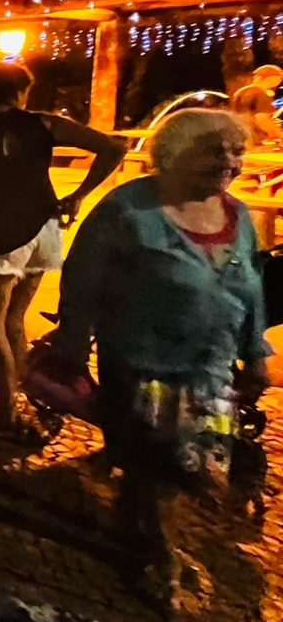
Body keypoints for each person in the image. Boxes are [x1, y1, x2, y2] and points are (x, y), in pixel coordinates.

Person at [52, 109, 269, 479]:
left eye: (237, 152)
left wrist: (256, 353)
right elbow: (82, 281)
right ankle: (141, 528)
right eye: (214, 152)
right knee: (146, 470)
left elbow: (250, 289)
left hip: (212, 371)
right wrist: (72, 342)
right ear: (171, 154)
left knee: (199, 469)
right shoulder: (127, 211)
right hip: (140, 369)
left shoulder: (239, 215)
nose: (230, 163)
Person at [0, 64, 125, 441]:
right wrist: (78, 195)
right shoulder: (44, 124)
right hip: (42, 228)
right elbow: (114, 146)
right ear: (18, 92)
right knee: (14, 320)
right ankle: (19, 404)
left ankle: (6, 417)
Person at [230, 64, 283, 144]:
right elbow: (261, 119)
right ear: (271, 79)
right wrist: (278, 134)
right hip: (254, 139)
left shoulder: (241, 92)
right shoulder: (261, 93)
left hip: (239, 137)